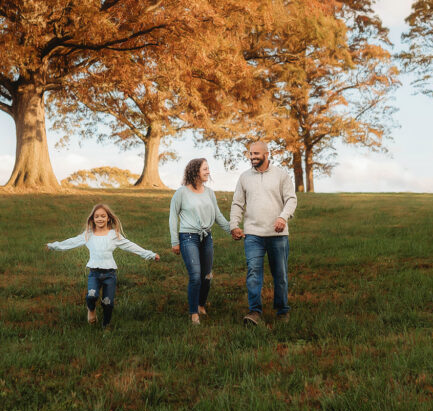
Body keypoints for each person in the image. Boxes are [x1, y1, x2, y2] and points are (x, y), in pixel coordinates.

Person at [45, 203, 159, 329]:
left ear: (108, 218)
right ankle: (91, 310)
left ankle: (106, 325)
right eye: (97, 216)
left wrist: (150, 254)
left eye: (103, 216)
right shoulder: (88, 235)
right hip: (94, 273)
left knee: (108, 303)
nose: (100, 219)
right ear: (92, 219)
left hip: (110, 274)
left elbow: (131, 246)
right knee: (92, 295)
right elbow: (71, 242)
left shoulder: (113, 235)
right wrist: (53, 246)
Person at [230, 140, 297, 326]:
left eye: (256, 154)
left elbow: (291, 200)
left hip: (278, 235)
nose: (252, 157)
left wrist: (283, 218)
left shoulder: (281, 175)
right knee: (253, 273)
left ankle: (282, 310)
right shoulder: (244, 177)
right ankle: (254, 312)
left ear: (266, 154)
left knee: (280, 275)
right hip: (253, 235)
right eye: (250, 154)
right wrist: (234, 225)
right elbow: (237, 203)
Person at [168, 158, 233, 325]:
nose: (208, 172)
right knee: (195, 276)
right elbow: (173, 217)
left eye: (208, 168)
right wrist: (175, 241)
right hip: (188, 237)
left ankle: (201, 304)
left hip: (207, 237)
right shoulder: (181, 193)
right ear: (195, 171)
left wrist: (232, 230)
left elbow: (218, 216)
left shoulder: (209, 192)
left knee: (207, 275)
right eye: (205, 169)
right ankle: (193, 312)